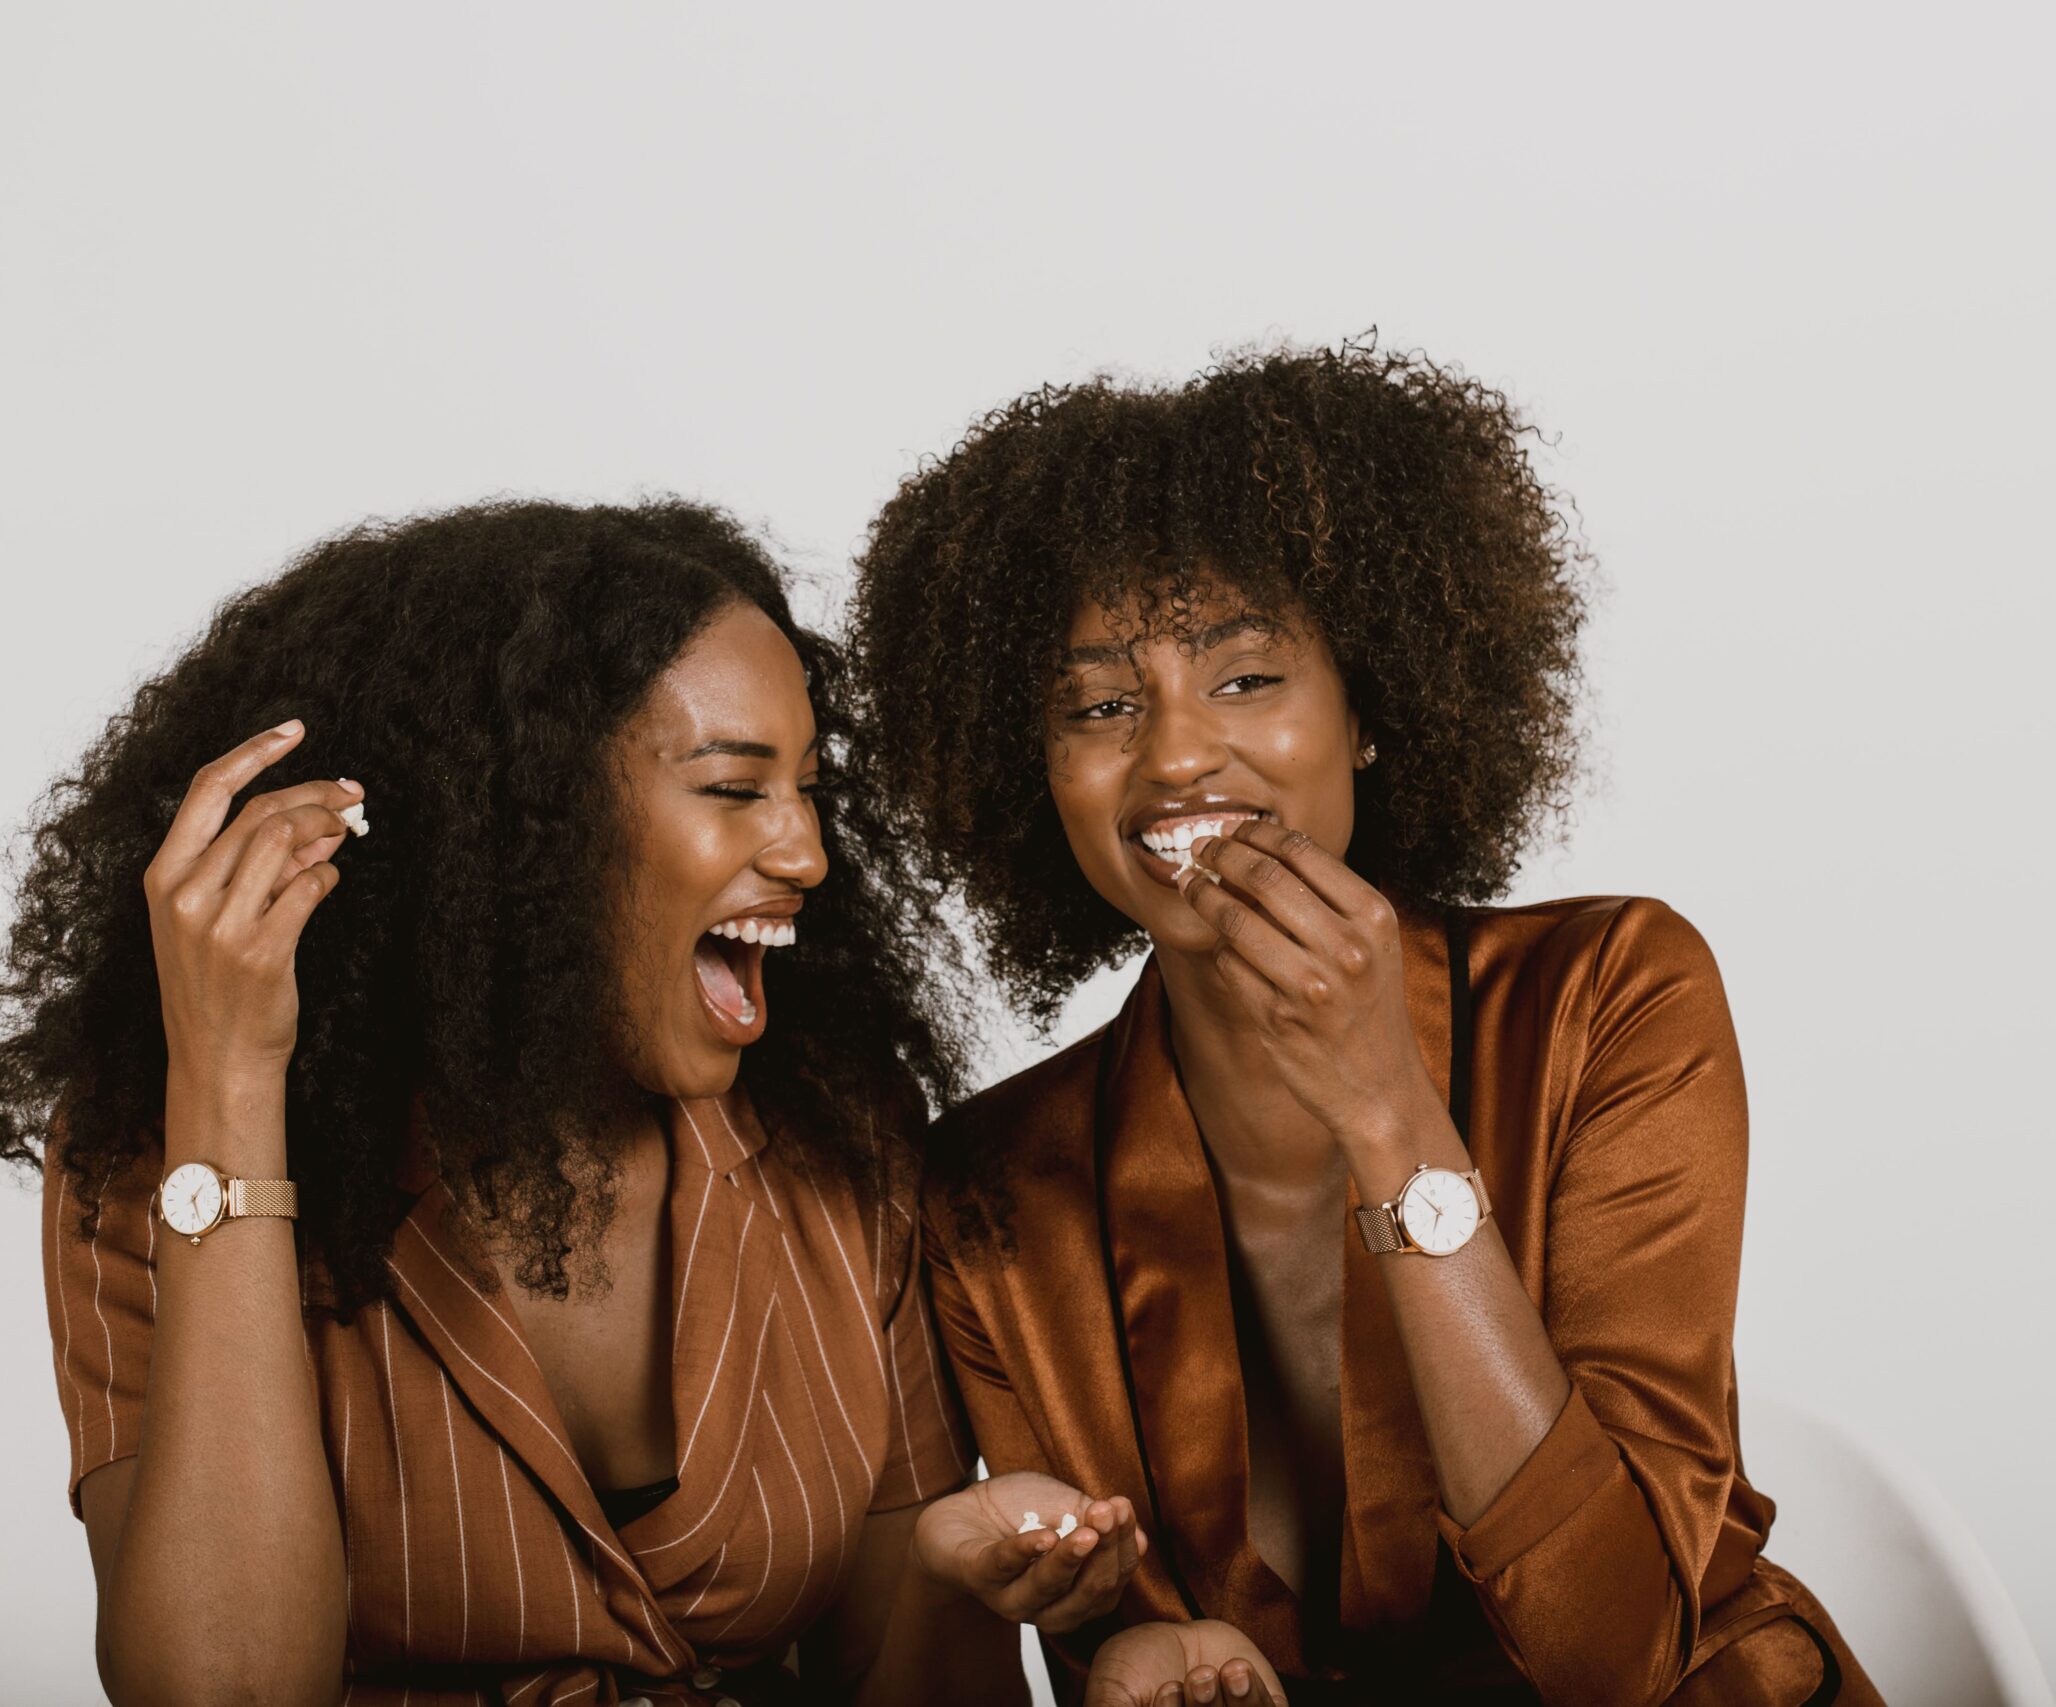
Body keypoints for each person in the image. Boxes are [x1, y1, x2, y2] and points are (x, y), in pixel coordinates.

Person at [846, 342, 1887, 1706]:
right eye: (1101, 704)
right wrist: (1128, 1650)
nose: (1171, 755)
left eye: (1246, 677)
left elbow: (1616, 1650)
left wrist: (1388, 1112)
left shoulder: (1613, 994)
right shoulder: (989, 1190)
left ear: (1372, 708)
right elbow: (1113, 1636)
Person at [1, 500, 1150, 1706]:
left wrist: (952, 1577)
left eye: (806, 788)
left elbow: (911, 1689)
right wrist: (231, 1090)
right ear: (513, 835)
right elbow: (219, 1692)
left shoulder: (838, 1128)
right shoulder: (160, 1148)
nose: (806, 851)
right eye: (732, 789)